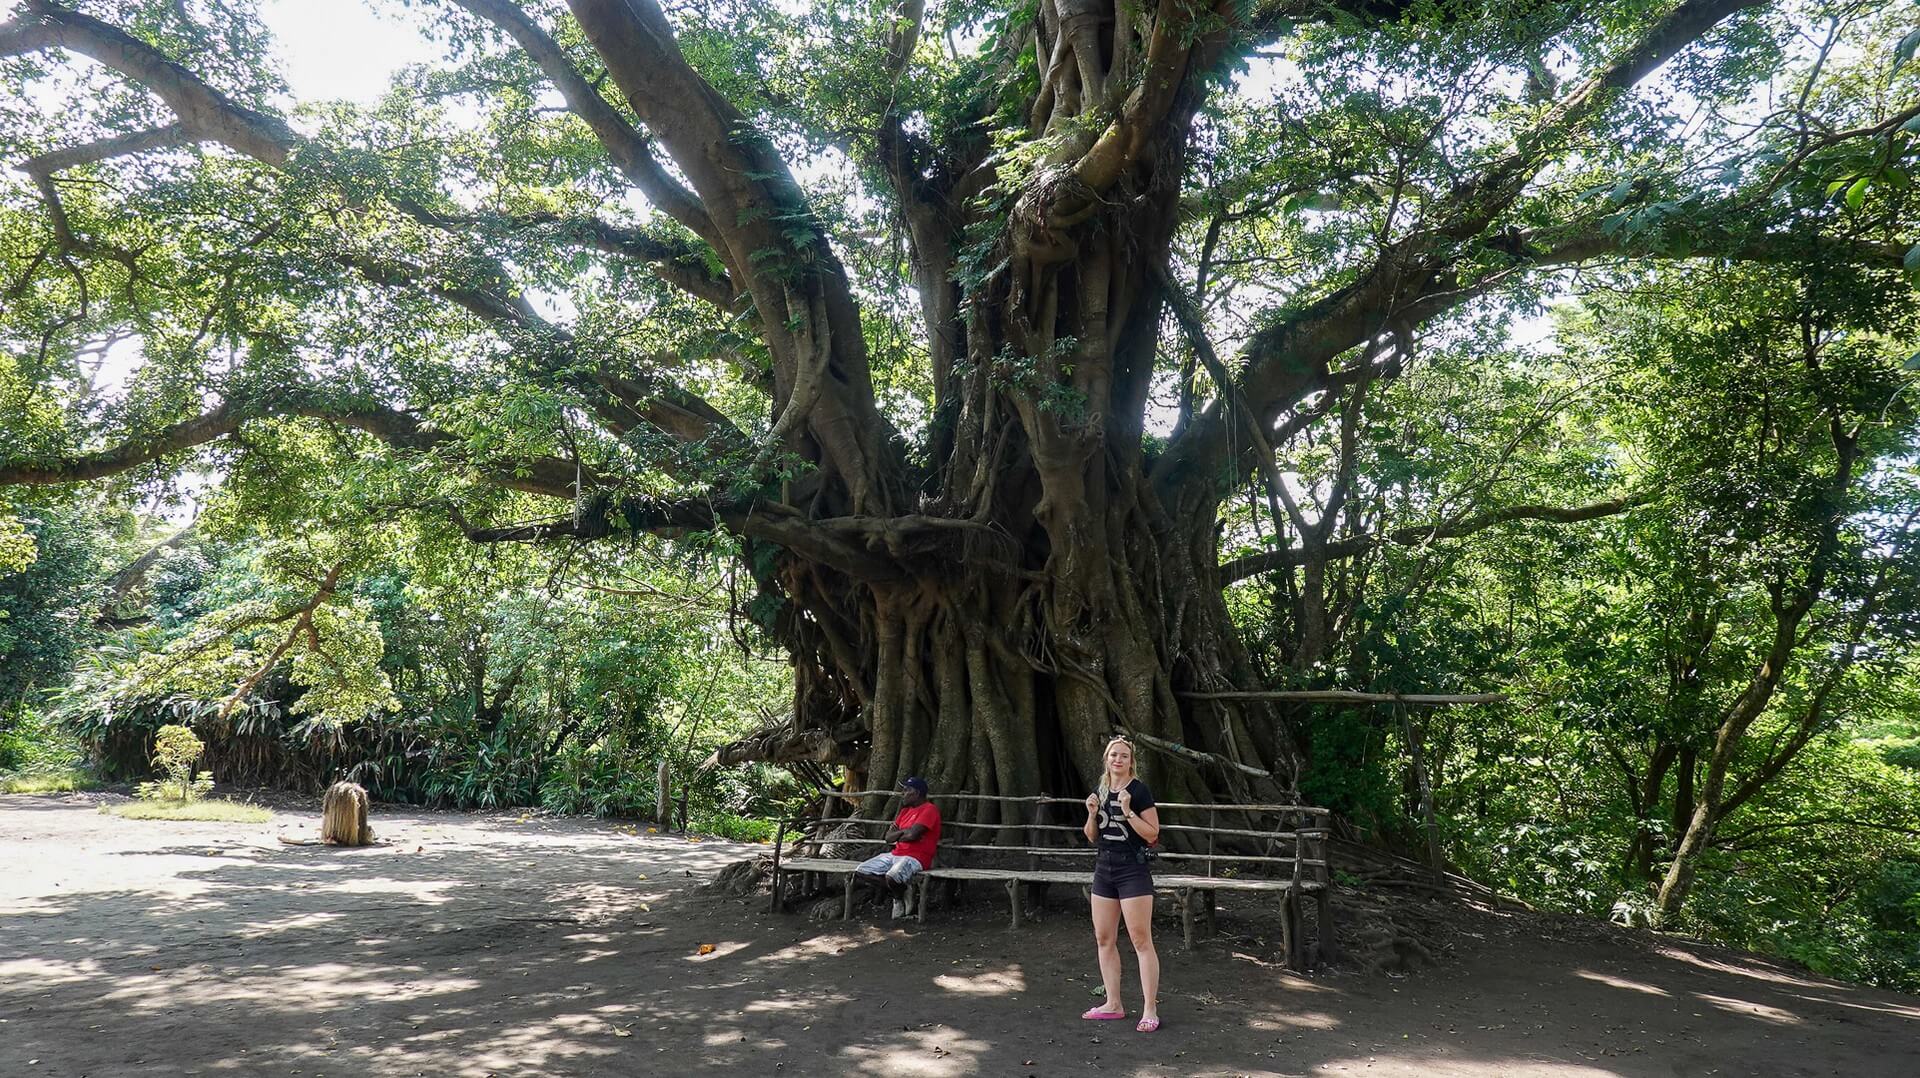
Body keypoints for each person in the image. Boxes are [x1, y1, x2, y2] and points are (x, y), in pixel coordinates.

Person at [1081, 735, 1162, 1033]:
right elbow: (1091, 836)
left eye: (1124, 756)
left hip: (1133, 871)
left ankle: (1149, 1008)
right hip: (1104, 868)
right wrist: (1091, 814)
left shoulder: (1139, 791)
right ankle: (1113, 1003)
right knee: (1104, 939)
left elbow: (1152, 834)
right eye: (1114, 755)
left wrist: (1128, 811)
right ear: (1106, 759)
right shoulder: (1100, 790)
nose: (1118, 759)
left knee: (1141, 940)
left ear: (1131, 762)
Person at [854, 776, 942, 920]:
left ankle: (898, 898)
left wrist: (899, 833)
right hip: (895, 853)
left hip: (917, 856)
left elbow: (913, 835)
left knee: (892, 876)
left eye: (907, 790)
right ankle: (902, 892)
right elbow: (888, 838)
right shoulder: (904, 812)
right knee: (862, 870)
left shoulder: (929, 810)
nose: (903, 793)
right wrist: (903, 832)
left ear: (917, 793)